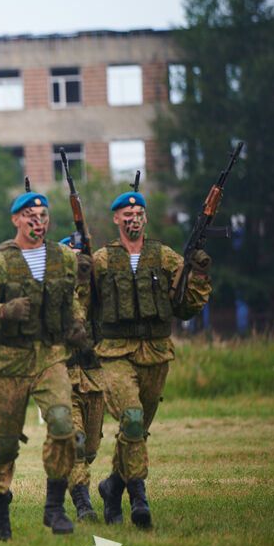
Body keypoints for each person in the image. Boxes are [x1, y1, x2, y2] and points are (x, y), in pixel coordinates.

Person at [0, 192, 88, 540]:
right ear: (16, 219)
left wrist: (77, 323)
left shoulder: (63, 258)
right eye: (30, 214)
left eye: (43, 214)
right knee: (5, 443)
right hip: (10, 361)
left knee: (62, 424)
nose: (38, 220)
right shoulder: (1, 263)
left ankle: (55, 507)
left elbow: (73, 299)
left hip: (50, 357)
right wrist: (1, 312)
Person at [90, 191, 211, 528]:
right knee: (130, 418)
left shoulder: (166, 258)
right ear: (116, 219)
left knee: (137, 431)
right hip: (115, 352)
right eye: (126, 213)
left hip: (156, 353)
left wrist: (199, 274)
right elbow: (83, 304)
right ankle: (139, 497)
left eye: (138, 211)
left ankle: (112, 487)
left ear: (145, 216)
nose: (133, 217)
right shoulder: (101, 260)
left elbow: (185, 307)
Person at [58, 235, 106, 522]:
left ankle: (78, 478)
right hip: (62, 377)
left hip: (95, 377)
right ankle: (82, 502)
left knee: (89, 449)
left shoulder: (100, 294)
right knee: (74, 442)